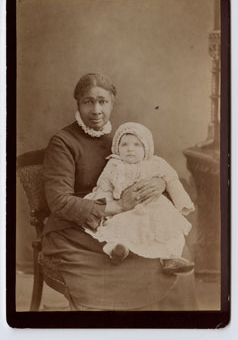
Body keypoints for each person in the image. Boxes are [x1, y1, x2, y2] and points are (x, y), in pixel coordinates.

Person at [42, 73, 198, 310]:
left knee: (174, 249)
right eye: (88, 101)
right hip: (75, 227)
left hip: (127, 218)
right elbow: (59, 202)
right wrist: (117, 206)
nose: (96, 110)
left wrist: (160, 183)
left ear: (112, 102)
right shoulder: (63, 142)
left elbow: (150, 167)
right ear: (78, 103)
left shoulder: (124, 139)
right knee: (136, 259)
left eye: (102, 101)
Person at [85, 122, 195, 274]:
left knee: (171, 230)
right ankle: (118, 249)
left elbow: (172, 180)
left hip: (155, 207)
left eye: (137, 144)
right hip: (125, 208)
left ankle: (171, 257)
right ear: (117, 148)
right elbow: (104, 187)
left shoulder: (155, 163)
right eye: (124, 144)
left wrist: (182, 202)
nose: (130, 148)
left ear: (146, 148)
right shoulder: (114, 165)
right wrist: (102, 208)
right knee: (118, 227)